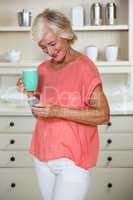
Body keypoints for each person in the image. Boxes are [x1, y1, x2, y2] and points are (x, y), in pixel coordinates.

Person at [17, 9, 110, 200]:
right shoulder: (42, 69)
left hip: (72, 160)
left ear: (66, 34)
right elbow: (40, 113)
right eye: (44, 47)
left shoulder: (84, 67)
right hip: (42, 154)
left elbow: (102, 114)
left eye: (52, 44)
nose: (50, 52)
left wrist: (58, 111)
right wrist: (30, 96)